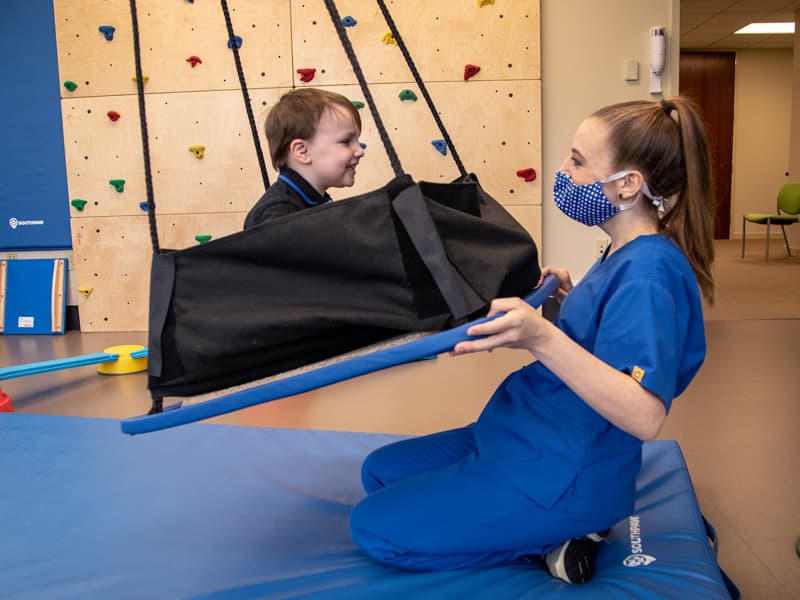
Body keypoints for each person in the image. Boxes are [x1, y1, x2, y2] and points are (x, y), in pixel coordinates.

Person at [348, 96, 715, 584]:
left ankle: (557, 539)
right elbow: (603, 342)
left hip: (561, 472)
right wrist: (566, 301)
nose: (563, 170)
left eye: (578, 162)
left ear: (628, 184)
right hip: (526, 434)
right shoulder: (622, 250)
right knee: (379, 471)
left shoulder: (650, 272)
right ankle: (544, 525)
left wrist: (540, 336)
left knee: (374, 529)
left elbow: (645, 414)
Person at [243, 88, 365, 228]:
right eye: (346, 141)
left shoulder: (313, 201)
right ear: (302, 151)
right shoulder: (276, 216)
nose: (360, 151)